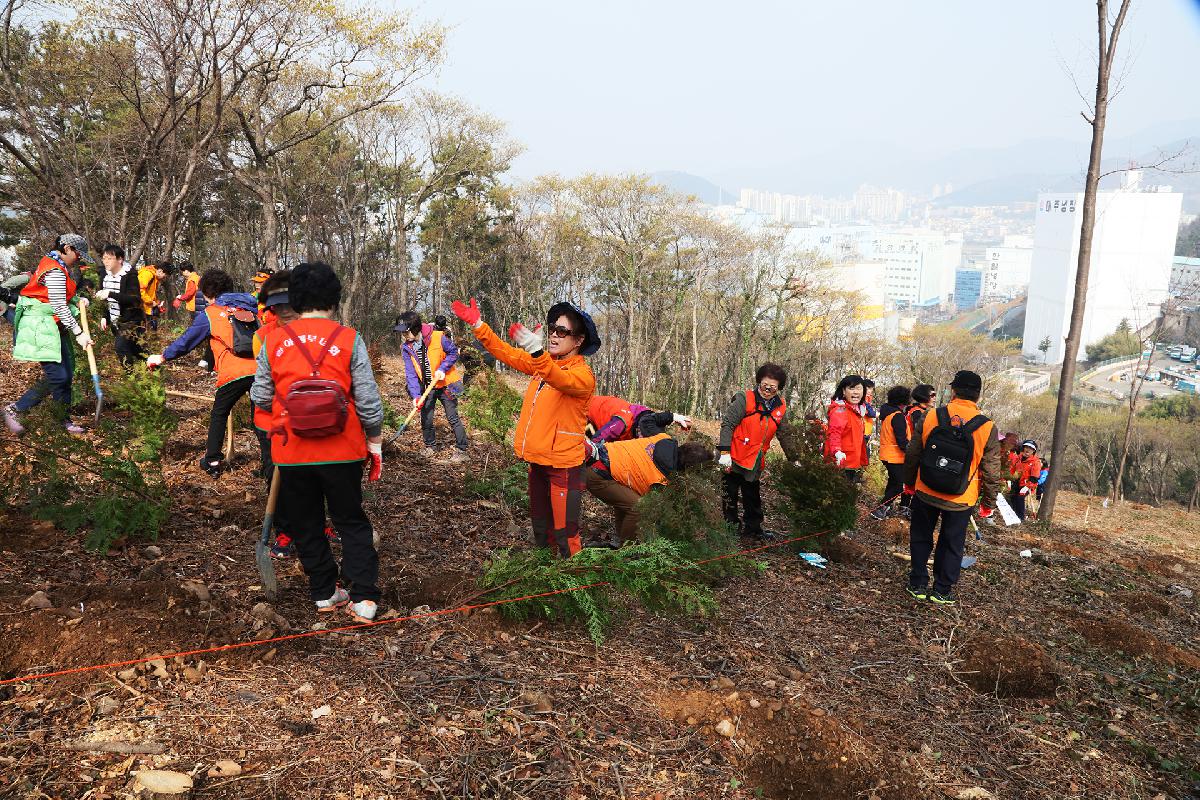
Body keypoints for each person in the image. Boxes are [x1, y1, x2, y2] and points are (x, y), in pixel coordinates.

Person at [251, 261, 385, 622]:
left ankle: (325, 592)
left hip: (292, 452)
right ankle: (364, 598)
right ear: (334, 298)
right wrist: (374, 440)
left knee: (306, 522)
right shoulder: (348, 338)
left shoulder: (274, 340)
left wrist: (291, 409)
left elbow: (261, 394)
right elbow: (368, 400)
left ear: (295, 297)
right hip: (342, 450)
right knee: (351, 519)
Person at [452, 297, 600, 558]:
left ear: (578, 341)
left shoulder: (582, 376)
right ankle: (543, 579)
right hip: (538, 463)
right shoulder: (544, 364)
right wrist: (479, 325)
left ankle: (573, 588)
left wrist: (538, 353)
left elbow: (559, 380)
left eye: (562, 332)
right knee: (541, 531)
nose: (554, 335)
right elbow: (506, 353)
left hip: (564, 467)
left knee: (566, 535)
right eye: (553, 329)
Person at [902, 370, 1002, 606]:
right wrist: (988, 503)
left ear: (954, 391)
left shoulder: (931, 415)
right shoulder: (987, 427)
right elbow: (991, 470)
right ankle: (942, 590)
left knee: (921, 535)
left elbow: (913, 452)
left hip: (926, 488)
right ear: (978, 395)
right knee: (952, 543)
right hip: (961, 498)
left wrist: (908, 483)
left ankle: (917, 583)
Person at [147, 269, 258, 475]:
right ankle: (270, 466)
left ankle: (213, 461)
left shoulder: (211, 313)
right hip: (260, 371)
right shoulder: (251, 309)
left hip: (233, 372)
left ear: (207, 293)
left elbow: (186, 342)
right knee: (260, 417)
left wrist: (162, 356)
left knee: (219, 413)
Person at [3, 234, 95, 435]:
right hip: (41, 328)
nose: (79, 259)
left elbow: (61, 296)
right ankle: (16, 409)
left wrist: (79, 299)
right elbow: (58, 306)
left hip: (54, 327)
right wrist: (79, 332)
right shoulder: (54, 270)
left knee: (66, 374)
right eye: (79, 254)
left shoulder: (58, 265)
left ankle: (63, 419)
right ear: (68, 248)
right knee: (58, 376)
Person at [584, 418, 713, 548]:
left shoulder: (662, 437)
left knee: (629, 499)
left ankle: (620, 541)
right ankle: (627, 552)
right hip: (597, 472)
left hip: (595, 456)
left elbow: (646, 420)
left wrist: (671, 416)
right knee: (638, 507)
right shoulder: (661, 479)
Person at [717, 363, 788, 541]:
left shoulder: (780, 407)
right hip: (733, 455)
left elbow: (784, 434)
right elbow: (728, 424)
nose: (767, 390)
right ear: (759, 382)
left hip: (755, 459)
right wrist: (724, 452)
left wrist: (795, 458)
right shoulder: (744, 399)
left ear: (778, 388)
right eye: (764, 385)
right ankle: (730, 527)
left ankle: (753, 528)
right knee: (730, 494)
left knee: (752, 495)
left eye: (772, 387)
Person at [393, 310, 469, 463]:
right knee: (426, 418)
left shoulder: (438, 337)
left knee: (452, 417)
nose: (404, 336)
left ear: (415, 329)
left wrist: (443, 368)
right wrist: (416, 396)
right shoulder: (407, 348)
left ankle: (462, 450)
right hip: (427, 386)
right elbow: (411, 374)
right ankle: (430, 446)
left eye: (405, 332)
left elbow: (453, 353)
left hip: (446, 384)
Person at [95, 244, 146, 366]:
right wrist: (104, 316)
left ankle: (132, 379)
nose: (106, 261)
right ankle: (156, 368)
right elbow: (104, 297)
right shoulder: (104, 275)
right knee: (136, 349)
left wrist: (110, 294)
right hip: (114, 320)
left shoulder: (129, 275)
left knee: (121, 347)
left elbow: (135, 299)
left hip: (130, 320)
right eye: (104, 258)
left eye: (110, 258)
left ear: (120, 259)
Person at [872, 385, 912, 520]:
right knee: (898, 486)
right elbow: (901, 441)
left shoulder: (888, 414)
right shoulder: (897, 416)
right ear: (904, 400)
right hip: (895, 456)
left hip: (887, 454)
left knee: (893, 482)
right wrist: (912, 451)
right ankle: (880, 509)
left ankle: (884, 509)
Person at [587, 394, 691, 444]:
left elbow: (656, 418)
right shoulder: (623, 422)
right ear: (639, 428)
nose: (641, 438)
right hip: (584, 411)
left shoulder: (646, 418)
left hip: (599, 417)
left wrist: (673, 417)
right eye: (642, 435)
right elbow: (598, 439)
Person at [824, 375, 868, 481]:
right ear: (844, 391)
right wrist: (837, 451)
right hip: (841, 460)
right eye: (851, 388)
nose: (856, 392)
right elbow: (834, 432)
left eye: (859, 388)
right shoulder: (840, 410)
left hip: (852, 460)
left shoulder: (857, 410)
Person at [1007, 440, 1042, 522]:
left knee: (1019, 498)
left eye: (1030, 448)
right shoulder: (1018, 458)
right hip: (1015, 482)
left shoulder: (1035, 462)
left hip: (1026, 485)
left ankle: (1020, 518)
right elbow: (1012, 469)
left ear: (1033, 451)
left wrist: (1027, 487)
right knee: (1012, 498)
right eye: (1026, 447)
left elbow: (1035, 477)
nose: (1027, 450)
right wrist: (1009, 479)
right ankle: (1013, 516)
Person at [139, 261, 174, 332]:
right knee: (145, 332)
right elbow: (140, 290)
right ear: (160, 271)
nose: (164, 278)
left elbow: (151, 293)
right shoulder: (147, 274)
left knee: (151, 332)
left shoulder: (154, 277)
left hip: (148, 308)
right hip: (141, 308)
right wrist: (151, 302)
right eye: (165, 276)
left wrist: (157, 304)